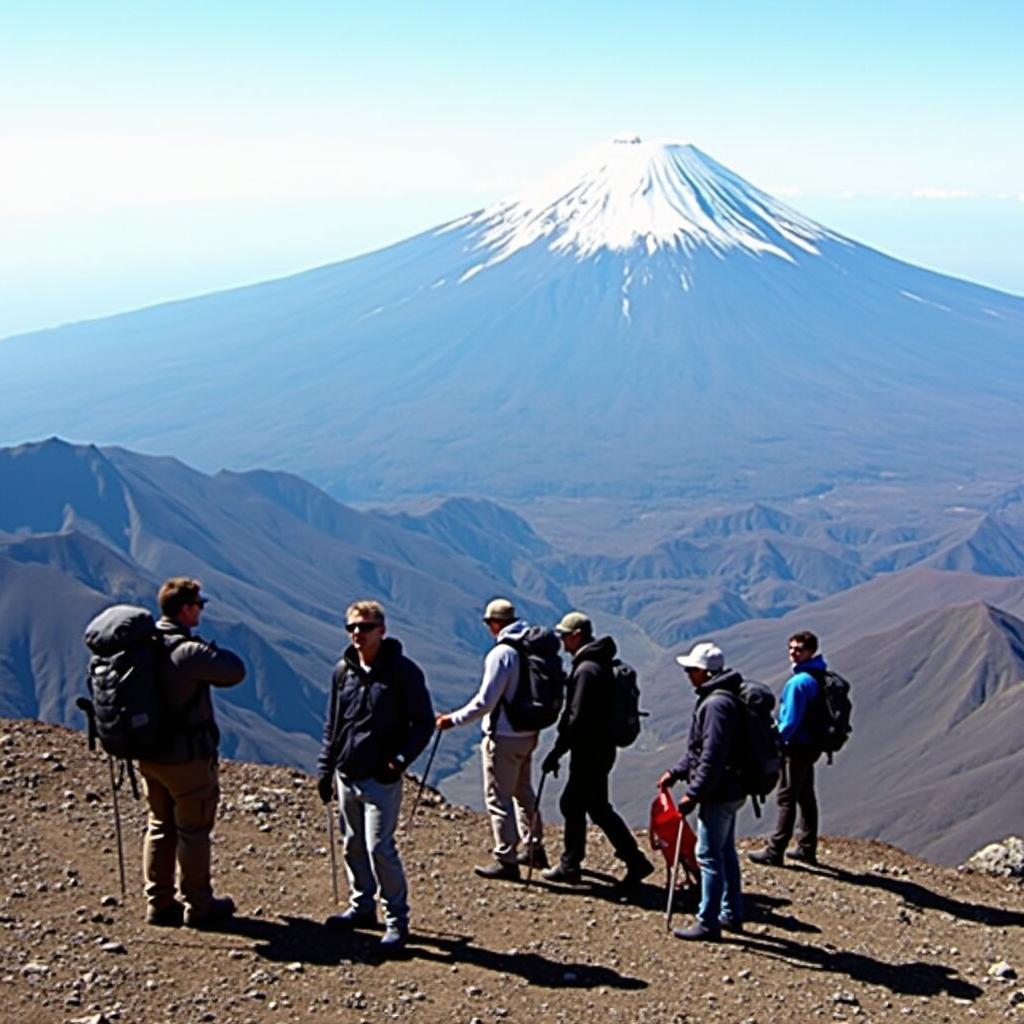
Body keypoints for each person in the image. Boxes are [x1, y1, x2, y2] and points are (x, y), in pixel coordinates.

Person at [317, 599, 434, 953]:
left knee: (379, 847)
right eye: (351, 627)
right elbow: (333, 724)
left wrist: (399, 762)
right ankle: (361, 908)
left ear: (381, 630)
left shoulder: (403, 673)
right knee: (352, 844)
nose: (357, 633)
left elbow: (423, 723)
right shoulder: (343, 672)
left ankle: (397, 921)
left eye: (365, 627)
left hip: (381, 779)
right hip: (346, 774)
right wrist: (325, 768)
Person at [139, 577, 246, 928]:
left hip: (149, 754)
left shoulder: (144, 644)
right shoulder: (187, 651)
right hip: (187, 758)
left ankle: (159, 902)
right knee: (193, 831)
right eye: (199, 604)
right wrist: (203, 646)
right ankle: (199, 906)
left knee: (159, 825)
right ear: (186, 609)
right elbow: (235, 671)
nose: (201, 609)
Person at [541, 612, 654, 889]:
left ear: (577, 635)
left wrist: (557, 751)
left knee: (578, 804)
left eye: (564, 635)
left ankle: (574, 865)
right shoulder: (598, 664)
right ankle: (630, 861)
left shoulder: (586, 670)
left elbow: (575, 718)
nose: (562, 641)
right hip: (601, 749)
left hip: (588, 750)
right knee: (592, 806)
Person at [436, 598, 546, 880]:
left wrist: (453, 720)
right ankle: (534, 847)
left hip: (505, 735)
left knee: (499, 798)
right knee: (523, 791)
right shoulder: (529, 646)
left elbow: (486, 702)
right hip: (529, 732)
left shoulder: (502, 654)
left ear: (494, 624)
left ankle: (507, 858)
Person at [658, 641, 745, 942]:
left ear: (705, 673)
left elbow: (711, 755)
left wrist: (692, 793)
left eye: (692, 669)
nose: (688, 674)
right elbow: (700, 751)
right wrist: (677, 771)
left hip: (719, 792)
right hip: (731, 788)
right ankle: (732, 911)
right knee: (724, 852)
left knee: (708, 856)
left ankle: (708, 921)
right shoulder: (722, 699)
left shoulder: (715, 705)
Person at [749, 630, 827, 867]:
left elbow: (790, 721)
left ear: (811, 651)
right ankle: (806, 847)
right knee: (805, 795)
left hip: (796, 747)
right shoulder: (818, 675)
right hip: (811, 745)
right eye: (791, 647)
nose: (793, 652)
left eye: (799, 649)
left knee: (786, 797)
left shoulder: (798, 682)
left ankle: (776, 850)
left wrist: (776, 741)